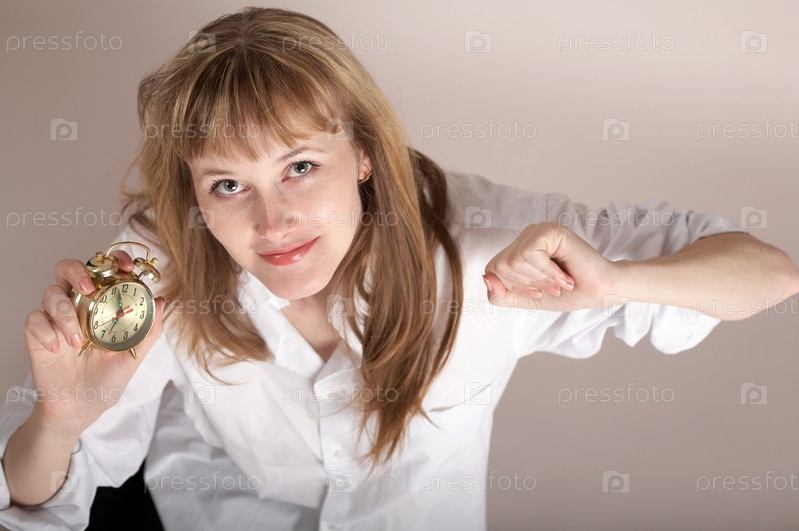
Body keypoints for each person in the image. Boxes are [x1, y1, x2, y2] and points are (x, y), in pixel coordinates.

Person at [1, 6, 797, 531]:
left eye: (300, 166)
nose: (271, 222)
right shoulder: (148, 275)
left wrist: (616, 282)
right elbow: (35, 500)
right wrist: (60, 421)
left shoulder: (486, 240)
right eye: (228, 185)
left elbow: (768, 272)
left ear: (363, 153)